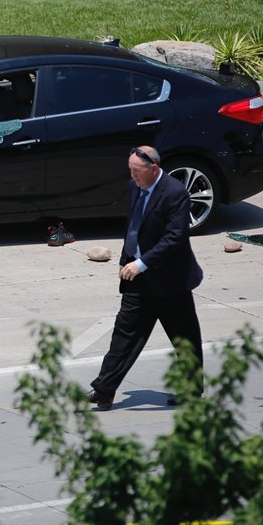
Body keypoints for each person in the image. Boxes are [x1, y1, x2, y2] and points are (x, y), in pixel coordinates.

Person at [88, 145, 204, 410]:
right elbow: (133, 228)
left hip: (171, 282)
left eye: (137, 171)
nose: (132, 176)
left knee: (184, 339)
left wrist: (141, 264)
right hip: (137, 279)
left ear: (153, 169)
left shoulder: (175, 193)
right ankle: (104, 390)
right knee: (123, 337)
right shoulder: (135, 187)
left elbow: (175, 238)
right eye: (130, 170)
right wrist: (126, 260)